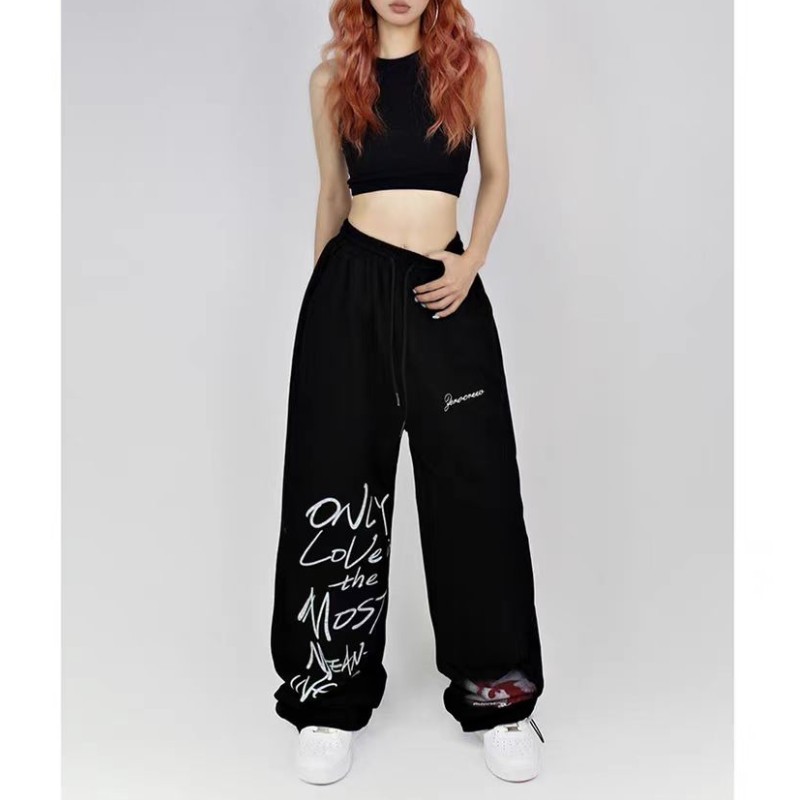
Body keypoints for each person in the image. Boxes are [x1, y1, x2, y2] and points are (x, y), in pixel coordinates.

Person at [270, 0, 545, 784]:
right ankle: (328, 696)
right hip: (348, 291)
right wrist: (323, 312)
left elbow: (497, 174)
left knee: (476, 488)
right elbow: (332, 195)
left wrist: (472, 260)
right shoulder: (332, 79)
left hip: (444, 289)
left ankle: (498, 694)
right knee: (336, 484)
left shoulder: (474, 63)